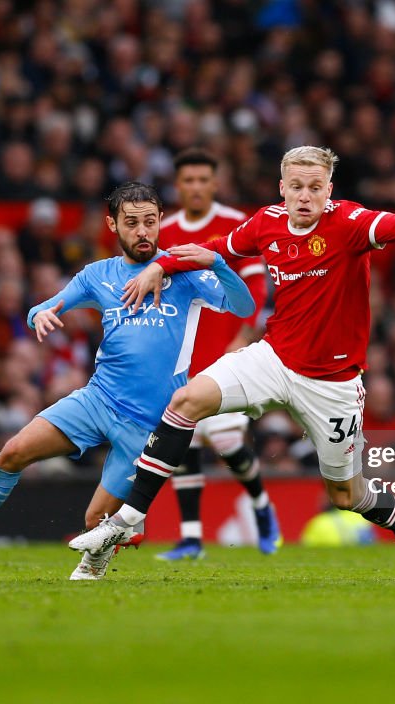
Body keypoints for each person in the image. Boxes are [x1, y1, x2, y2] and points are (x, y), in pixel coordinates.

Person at [71, 146, 395, 580]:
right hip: (273, 357)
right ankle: (129, 518)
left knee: (347, 495)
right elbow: (217, 250)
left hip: (332, 382)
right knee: (185, 401)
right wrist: (164, 266)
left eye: (315, 188)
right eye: (296, 187)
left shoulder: (350, 222)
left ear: (329, 190)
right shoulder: (266, 222)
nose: (305, 196)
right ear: (282, 189)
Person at [0, 182, 254, 580]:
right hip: (97, 400)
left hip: (148, 425)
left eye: (150, 221)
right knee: (12, 452)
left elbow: (244, 306)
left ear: (161, 220)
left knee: (95, 521)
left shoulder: (182, 272)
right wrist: (39, 315)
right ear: (113, 225)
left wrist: (218, 263)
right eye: (132, 223)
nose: (143, 231)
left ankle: (98, 559)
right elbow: (43, 307)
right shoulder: (98, 275)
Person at [156, 149, 278, 561]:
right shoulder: (165, 231)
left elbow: (256, 287)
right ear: (178, 186)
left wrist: (242, 336)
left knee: (228, 445)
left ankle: (262, 506)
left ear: (214, 183)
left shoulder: (234, 225)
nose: (195, 187)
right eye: (188, 180)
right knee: (182, 446)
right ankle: (191, 538)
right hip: (180, 361)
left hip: (225, 358)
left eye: (202, 180)